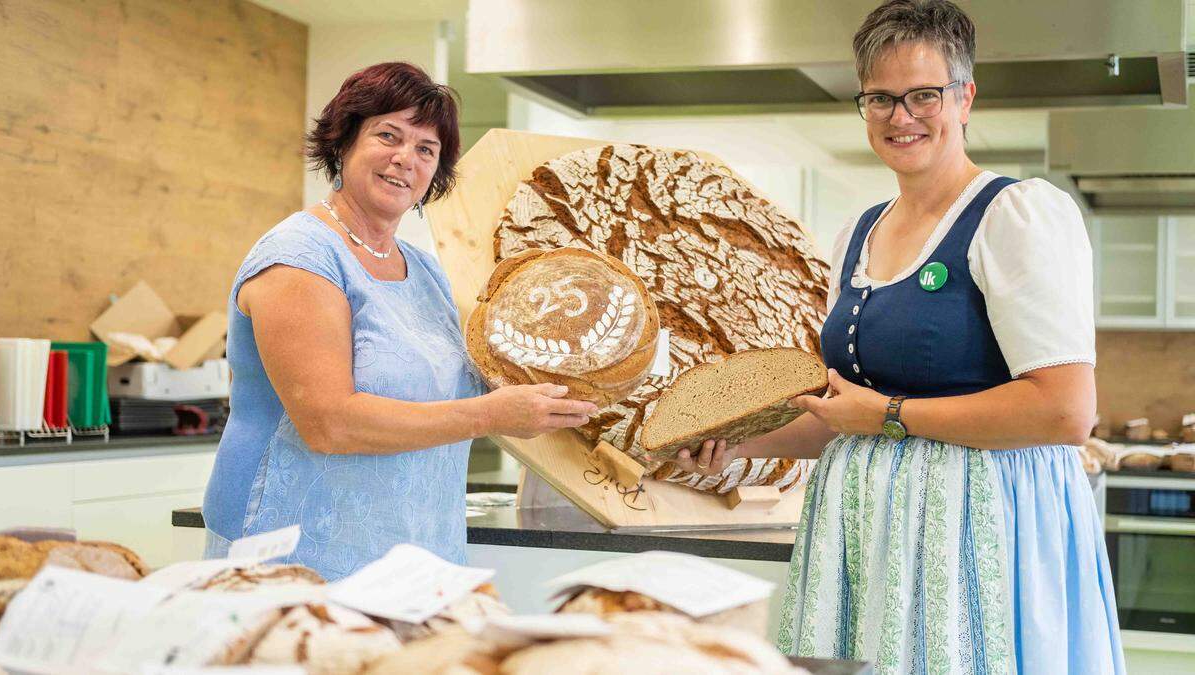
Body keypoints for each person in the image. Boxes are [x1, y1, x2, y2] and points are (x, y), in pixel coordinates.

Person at [673, 2, 1123, 672]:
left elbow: (1064, 410)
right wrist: (734, 440)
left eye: (923, 95)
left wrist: (888, 415)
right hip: (869, 533)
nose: (900, 116)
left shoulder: (1017, 215)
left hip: (980, 528)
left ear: (965, 97)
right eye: (880, 98)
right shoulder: (860, 230)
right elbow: (842, 416)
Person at [201, 62, 597, 580]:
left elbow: (495, 380)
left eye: (425, 149)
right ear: (343, 141)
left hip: (416, 546)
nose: (404, 159)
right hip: (298, 550)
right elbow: (328, 422)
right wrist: (488, 415)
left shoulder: (425, 269)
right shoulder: (299, 257)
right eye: (388, 135)